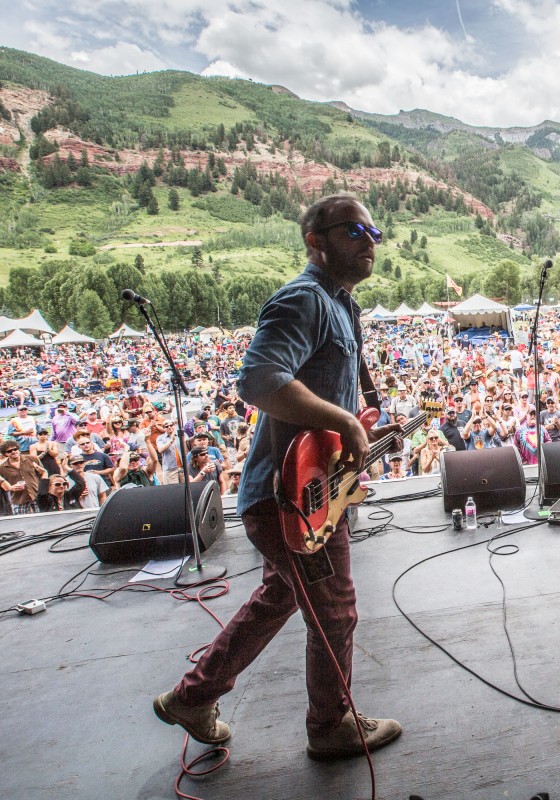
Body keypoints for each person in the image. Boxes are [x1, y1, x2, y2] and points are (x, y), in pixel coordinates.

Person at [153, 194, 406, 760]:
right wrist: (343, 418)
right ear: (315, 242)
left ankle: (192, 698)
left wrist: (361, 428)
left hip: (310, 493)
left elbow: (327, 411)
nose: (370, 241)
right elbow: (260, 380)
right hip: (286, 499)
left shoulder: (341, 306)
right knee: (335, 610)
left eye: (375, 231)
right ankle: (331, 727)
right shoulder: (303, 299)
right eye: (355, 231)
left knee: (279, 597)